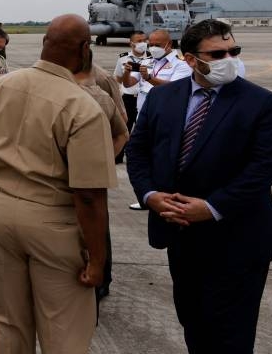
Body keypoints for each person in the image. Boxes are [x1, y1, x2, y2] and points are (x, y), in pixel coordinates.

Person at [126, 20, 272, 354]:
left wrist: (212, 208)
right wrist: (150, 195)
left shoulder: (262, 103)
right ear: (189, 57)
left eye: (233, 51)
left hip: (238, 237)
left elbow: (262, 170)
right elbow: (139, 149)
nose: (230, 61)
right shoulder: (163, 98)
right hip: (180, 231)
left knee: (231, 331)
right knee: (194, 319)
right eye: (218, 55)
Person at [0, 14, 115, 354]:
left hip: (1, 213)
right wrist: (98, 258)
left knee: (7, 323)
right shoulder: (81, 105)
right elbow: (89, 195)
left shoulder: (3, 86)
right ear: (83, 49)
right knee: (65, 340)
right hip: (54, 220)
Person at [75, 52, 129, 303]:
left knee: (97, 221)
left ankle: (103, 277)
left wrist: (104, 160)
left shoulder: (102, 78)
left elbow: (121, 120)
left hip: (94, 163)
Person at [122, 28, 191, 209]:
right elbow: (128, 84)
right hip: (143, 116)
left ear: (168, 44)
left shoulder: (180, 64)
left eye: (157, 45)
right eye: (150, 44)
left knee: (163, 157)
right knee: (141, 155)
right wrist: (127, 72)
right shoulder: (147, 61)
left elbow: (174, 88)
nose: (152, 48)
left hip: (166, 118)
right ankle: (147, 194)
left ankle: (168, 196)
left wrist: (150, 78)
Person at [113, 31, 147, 162]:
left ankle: (141, 158)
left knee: (144, 130)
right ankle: (118, 156)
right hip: (128, 98)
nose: (143, 43)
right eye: (139, 41)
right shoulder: (123, 58)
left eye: (144, 40)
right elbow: (118, 78)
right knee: (124, 128)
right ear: (131, 43)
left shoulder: (151, 58)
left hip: (144, 98)